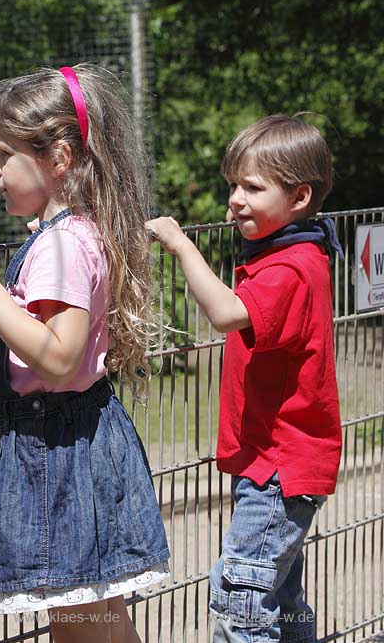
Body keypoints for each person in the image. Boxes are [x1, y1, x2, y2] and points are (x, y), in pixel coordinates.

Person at [0, 65, 169, 642]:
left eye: (3, 154)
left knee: (80, 629)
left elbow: (60, 357)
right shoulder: (80, 233)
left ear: (59, 159)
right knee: (101, 622)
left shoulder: (62, 247)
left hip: (56, 456)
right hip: (80, 442)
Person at [147, 115, 342, 643]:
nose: (235, 199)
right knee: (279, 598)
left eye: (252, 187)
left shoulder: (290, 268)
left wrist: (182, 246)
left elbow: (228, 313)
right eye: (233, 184)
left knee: (241, 599)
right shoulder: (294, 252)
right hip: (273, 463)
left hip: (280, 470)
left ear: (300, 197)